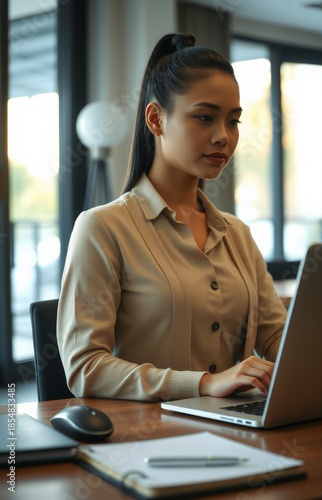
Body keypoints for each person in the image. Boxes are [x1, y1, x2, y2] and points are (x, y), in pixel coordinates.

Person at [57, 32, 287, 402]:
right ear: (156, 119)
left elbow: (276, 337)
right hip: (148, 438)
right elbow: (85, 366)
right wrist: (203, 384)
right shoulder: (103, 228)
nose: (223, 137)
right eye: (205, 117)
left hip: (238, 431)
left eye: (233, 121)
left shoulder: (237, 233)